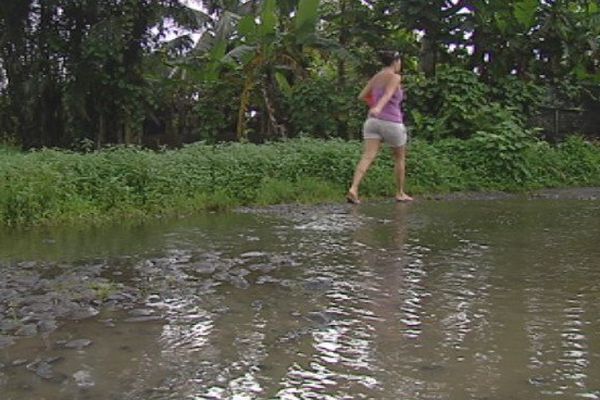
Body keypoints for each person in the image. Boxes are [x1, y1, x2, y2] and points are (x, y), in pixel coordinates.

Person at [346, 51, 413, 204]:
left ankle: (354, 188)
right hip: (392, 122)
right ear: (396, 61)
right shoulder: (395, 77)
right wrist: (379, 107)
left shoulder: (376, 77)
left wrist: (374, 107)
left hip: (372, 123)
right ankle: (400, 192)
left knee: (367, 156)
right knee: (399, 158)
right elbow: (388, 94)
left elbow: (362, 95)